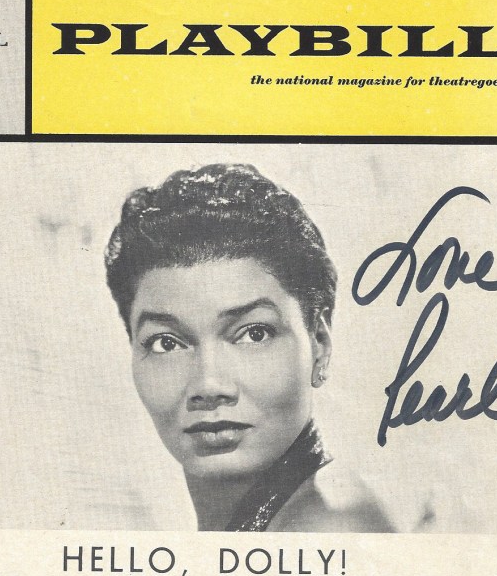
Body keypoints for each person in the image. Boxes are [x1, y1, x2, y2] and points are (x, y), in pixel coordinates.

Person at [105, 164, 393, 532]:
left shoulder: (330, 529)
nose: (208, 386)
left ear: (319, 344)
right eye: (167, 343)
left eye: (253, 333)